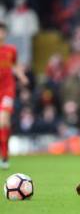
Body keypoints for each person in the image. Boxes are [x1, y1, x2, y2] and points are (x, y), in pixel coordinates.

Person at [0, 22, 28, 169]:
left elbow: (15, 65)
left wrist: (22, 76)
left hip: (7, 90)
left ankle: (4, 155)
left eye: (2, 31)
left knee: (3, 120)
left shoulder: (11, 50)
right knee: (2, 124)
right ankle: (3, 154)